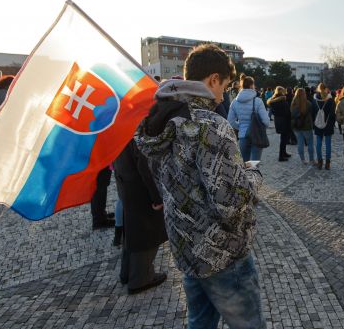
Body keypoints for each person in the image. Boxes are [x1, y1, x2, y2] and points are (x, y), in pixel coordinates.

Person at [135, 44, 265, 328]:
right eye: (226, 86)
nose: (223, 95)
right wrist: (252, 177)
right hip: (222, 253)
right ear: (213, 79)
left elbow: (181, 177)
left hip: (186, 247)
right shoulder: (210, 125)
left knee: (200, 323)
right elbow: (231, 204)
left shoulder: (159, 121)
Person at [114, 139, 168, 295]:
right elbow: (145, 166)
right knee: (147, 232)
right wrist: (156, 197)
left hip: (126, 182)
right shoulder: (134, 131)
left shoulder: (118, 127)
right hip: (139, 188)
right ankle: (141, 279)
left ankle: (127, 273)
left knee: (132, 229)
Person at [227, 76, 270, 162]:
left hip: (243, 135)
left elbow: (230, 121)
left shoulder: (235, 102)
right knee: (254, 164)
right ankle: (253, 175)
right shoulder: (258, 101)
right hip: (257, 134)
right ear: (251, 85)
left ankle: (245, 176)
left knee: (244, 164)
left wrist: (241, 126)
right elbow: (266, 121)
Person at [312, 83, 335, 170]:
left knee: (318, 143)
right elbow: (333, 114)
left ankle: (320, 162)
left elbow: (312, 112)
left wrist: (314, 123)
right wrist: (332, 124)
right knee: (328, 143)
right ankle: (327, 163)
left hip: (318, 124)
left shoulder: (314, 100)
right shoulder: (330, 100)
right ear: (326, 89)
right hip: (328, 124)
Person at [291, 88, 315, 165]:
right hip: (307, 126)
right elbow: (312, 114)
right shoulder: (308, 103)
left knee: (300, 143)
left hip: (296, 126)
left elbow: (292, 115)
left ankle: (303, 160)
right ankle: (311, 160)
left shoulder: (293, 103)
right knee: (310, 143)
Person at [267, 86, 292, 162]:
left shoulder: (273, 101)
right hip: (285, 121)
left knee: (283, 139)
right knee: (283, 139)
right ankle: (281, 156)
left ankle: (284, 153)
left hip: (278, 121)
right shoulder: (282, 101)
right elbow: (287, 112)